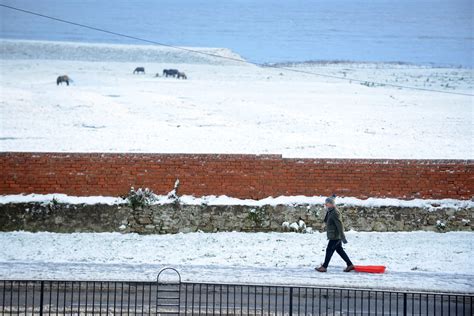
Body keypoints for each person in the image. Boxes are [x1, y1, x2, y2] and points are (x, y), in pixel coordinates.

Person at [315, 195, 355, 272]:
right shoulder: (330, 211)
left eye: (327, 203)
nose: (325, 204)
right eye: (325, 203)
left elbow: (340, 225)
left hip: (335, 236)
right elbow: (327, 220)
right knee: (339, 250)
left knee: (329, 249)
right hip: (334, 235)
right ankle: (350, 265)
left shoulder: (335, 212)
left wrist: (342, 237)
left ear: (331, 204)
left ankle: (324, 267)